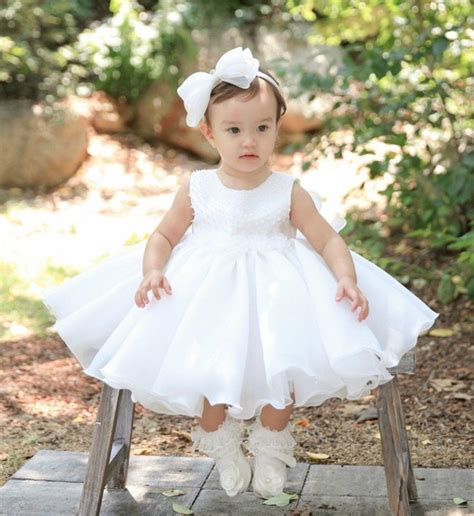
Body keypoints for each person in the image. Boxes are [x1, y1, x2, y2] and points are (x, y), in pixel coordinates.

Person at [41, 46, 439, 501]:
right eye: (234, 130)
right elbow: (164, 237)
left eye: (261, 129)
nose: (249, 141)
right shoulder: (198, 188)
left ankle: (271, 447)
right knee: (213, 378)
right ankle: (222, 443)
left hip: (277, 299)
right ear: (210, 133)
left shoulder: (288, 191)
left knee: (280, 375)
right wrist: (152, 271)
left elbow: (328, 239)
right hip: (208, 300)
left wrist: (346, 278)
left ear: (276, 130)